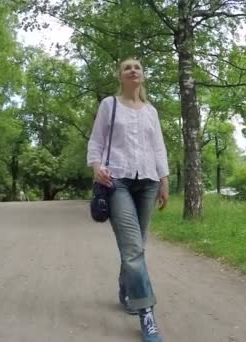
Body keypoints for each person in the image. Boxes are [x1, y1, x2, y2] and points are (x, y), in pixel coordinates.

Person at [87, 58, 169, 342]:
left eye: (137, 67)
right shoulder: (109, 105)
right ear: (120, 76)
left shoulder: (151, 111)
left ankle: (126, 288)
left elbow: (158, 147)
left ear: (143, 76)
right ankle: (146, 312)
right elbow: (96, 141)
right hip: (117, 181)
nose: (133, 70)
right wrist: (97, 167)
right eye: (127, 68)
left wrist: (164, 180)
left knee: (137, 246)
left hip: (148, 181)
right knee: (133, 249)